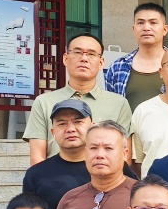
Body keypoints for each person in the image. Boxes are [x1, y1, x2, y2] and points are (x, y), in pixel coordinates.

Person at [22, 100, 138, 209]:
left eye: (78, 121)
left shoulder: (119, 173)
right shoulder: (38, 176)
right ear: (52, 132)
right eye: (62, 123)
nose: (70, 129)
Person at [25, 34, 131, 165]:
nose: (84, 59)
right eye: (77, 52)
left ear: (101, 63)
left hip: (104, 177)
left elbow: (125, 157)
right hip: (56, 176)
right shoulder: (43, 102)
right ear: (65, 58)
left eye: (91, 54)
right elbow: (37, 157)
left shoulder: (119, 103)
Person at [103, 3, 168, 111]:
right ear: (134, 29)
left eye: (153, 23)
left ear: (165, 30)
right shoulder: (117, 67)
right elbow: (111, 110)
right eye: (140, 23)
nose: (146, 28)